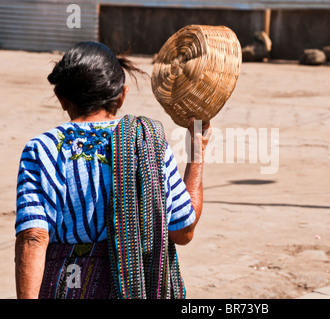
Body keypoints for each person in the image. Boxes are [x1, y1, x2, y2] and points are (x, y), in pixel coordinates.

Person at [14, 41, 210, 299]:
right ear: (122, 95)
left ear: (62, 100)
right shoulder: (149, 142)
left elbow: (33, 238)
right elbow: (183, 231)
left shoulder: (41, 150)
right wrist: (197, 151)